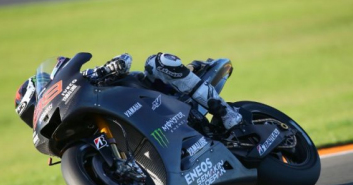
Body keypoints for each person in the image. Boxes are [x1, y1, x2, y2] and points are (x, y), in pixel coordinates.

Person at [15, 53, 242, 130]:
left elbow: (124, 59)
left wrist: (109, 67)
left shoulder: (82, 81)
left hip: (160, 98)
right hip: (146, 125)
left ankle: (225, 112)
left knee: (157, 61)